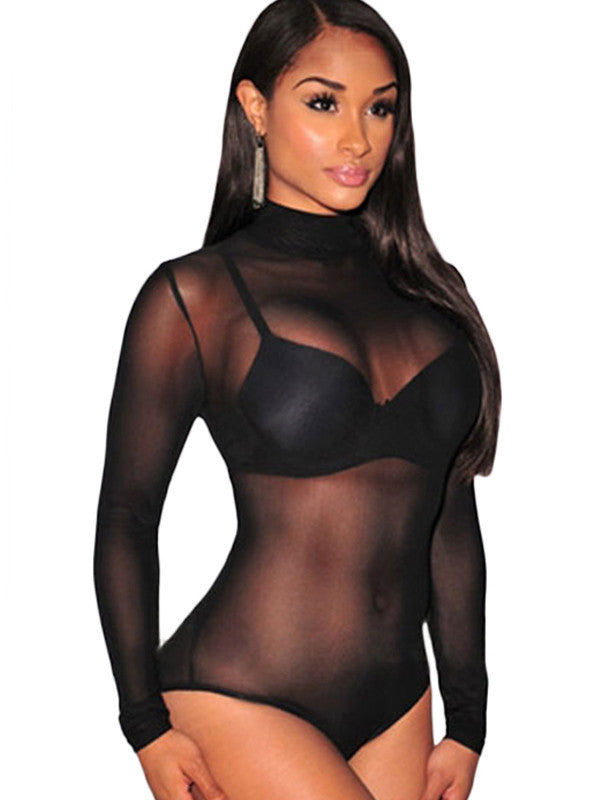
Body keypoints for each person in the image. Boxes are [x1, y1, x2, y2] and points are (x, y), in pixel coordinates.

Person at [93, 2, 501, 799]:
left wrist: (468, 721)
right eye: (323, 103)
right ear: (255, 108)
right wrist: (144, 723)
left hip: (400, 706)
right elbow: (128, 516)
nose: (358, 140)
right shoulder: (196, 297)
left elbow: (450, 520)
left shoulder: (428, 294)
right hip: (242, 689)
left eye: (380, 108)